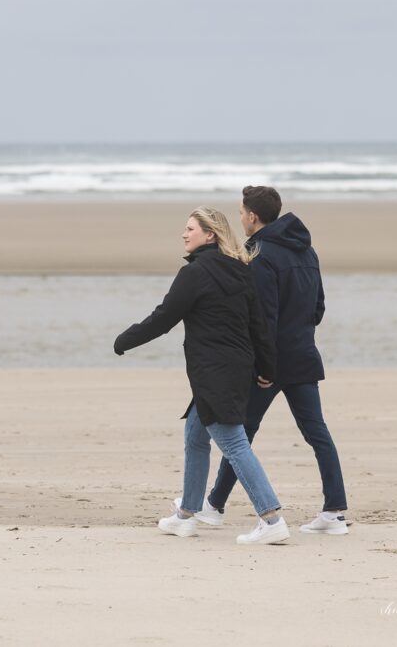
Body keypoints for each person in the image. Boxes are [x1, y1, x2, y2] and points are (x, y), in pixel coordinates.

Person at [114, 206, 290, 545]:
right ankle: (185, 516)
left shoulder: (195, 274)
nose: (184, 234)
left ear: (210, 234)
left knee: (235, 444)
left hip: (213, 372)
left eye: (191, 228)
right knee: (195, 437)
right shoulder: (241, 269)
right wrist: (267, 368)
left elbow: (164, 318)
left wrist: (125, 340)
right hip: (235, 368)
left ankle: (271, 518)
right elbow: (260, 326)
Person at [192, 186, 350, 535]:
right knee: (316, 432)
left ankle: (214, 505)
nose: (240, 218)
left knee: (240, 434)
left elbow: (263, 318)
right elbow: (318, 307)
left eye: (241, 212)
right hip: (304, 355)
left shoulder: (259, 253)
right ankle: (335, 512)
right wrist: (300, 336)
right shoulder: (307, 251)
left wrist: (265, 366)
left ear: (252, 216)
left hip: (273, 361)